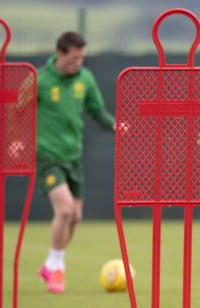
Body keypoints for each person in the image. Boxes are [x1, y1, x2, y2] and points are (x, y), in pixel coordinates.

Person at [36, 32, 115, 293]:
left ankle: (50, 262)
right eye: (74, 58)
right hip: (46, 155)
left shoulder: (85, 78)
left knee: (76, 216)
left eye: (82, 58)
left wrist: (114, 125)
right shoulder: (40, 80)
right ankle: (57, 267)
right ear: (59, 53)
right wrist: (17, 141)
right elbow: (18, 112)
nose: (79, 63)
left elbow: (96, 110)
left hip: (73, 155)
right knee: (66, 210)